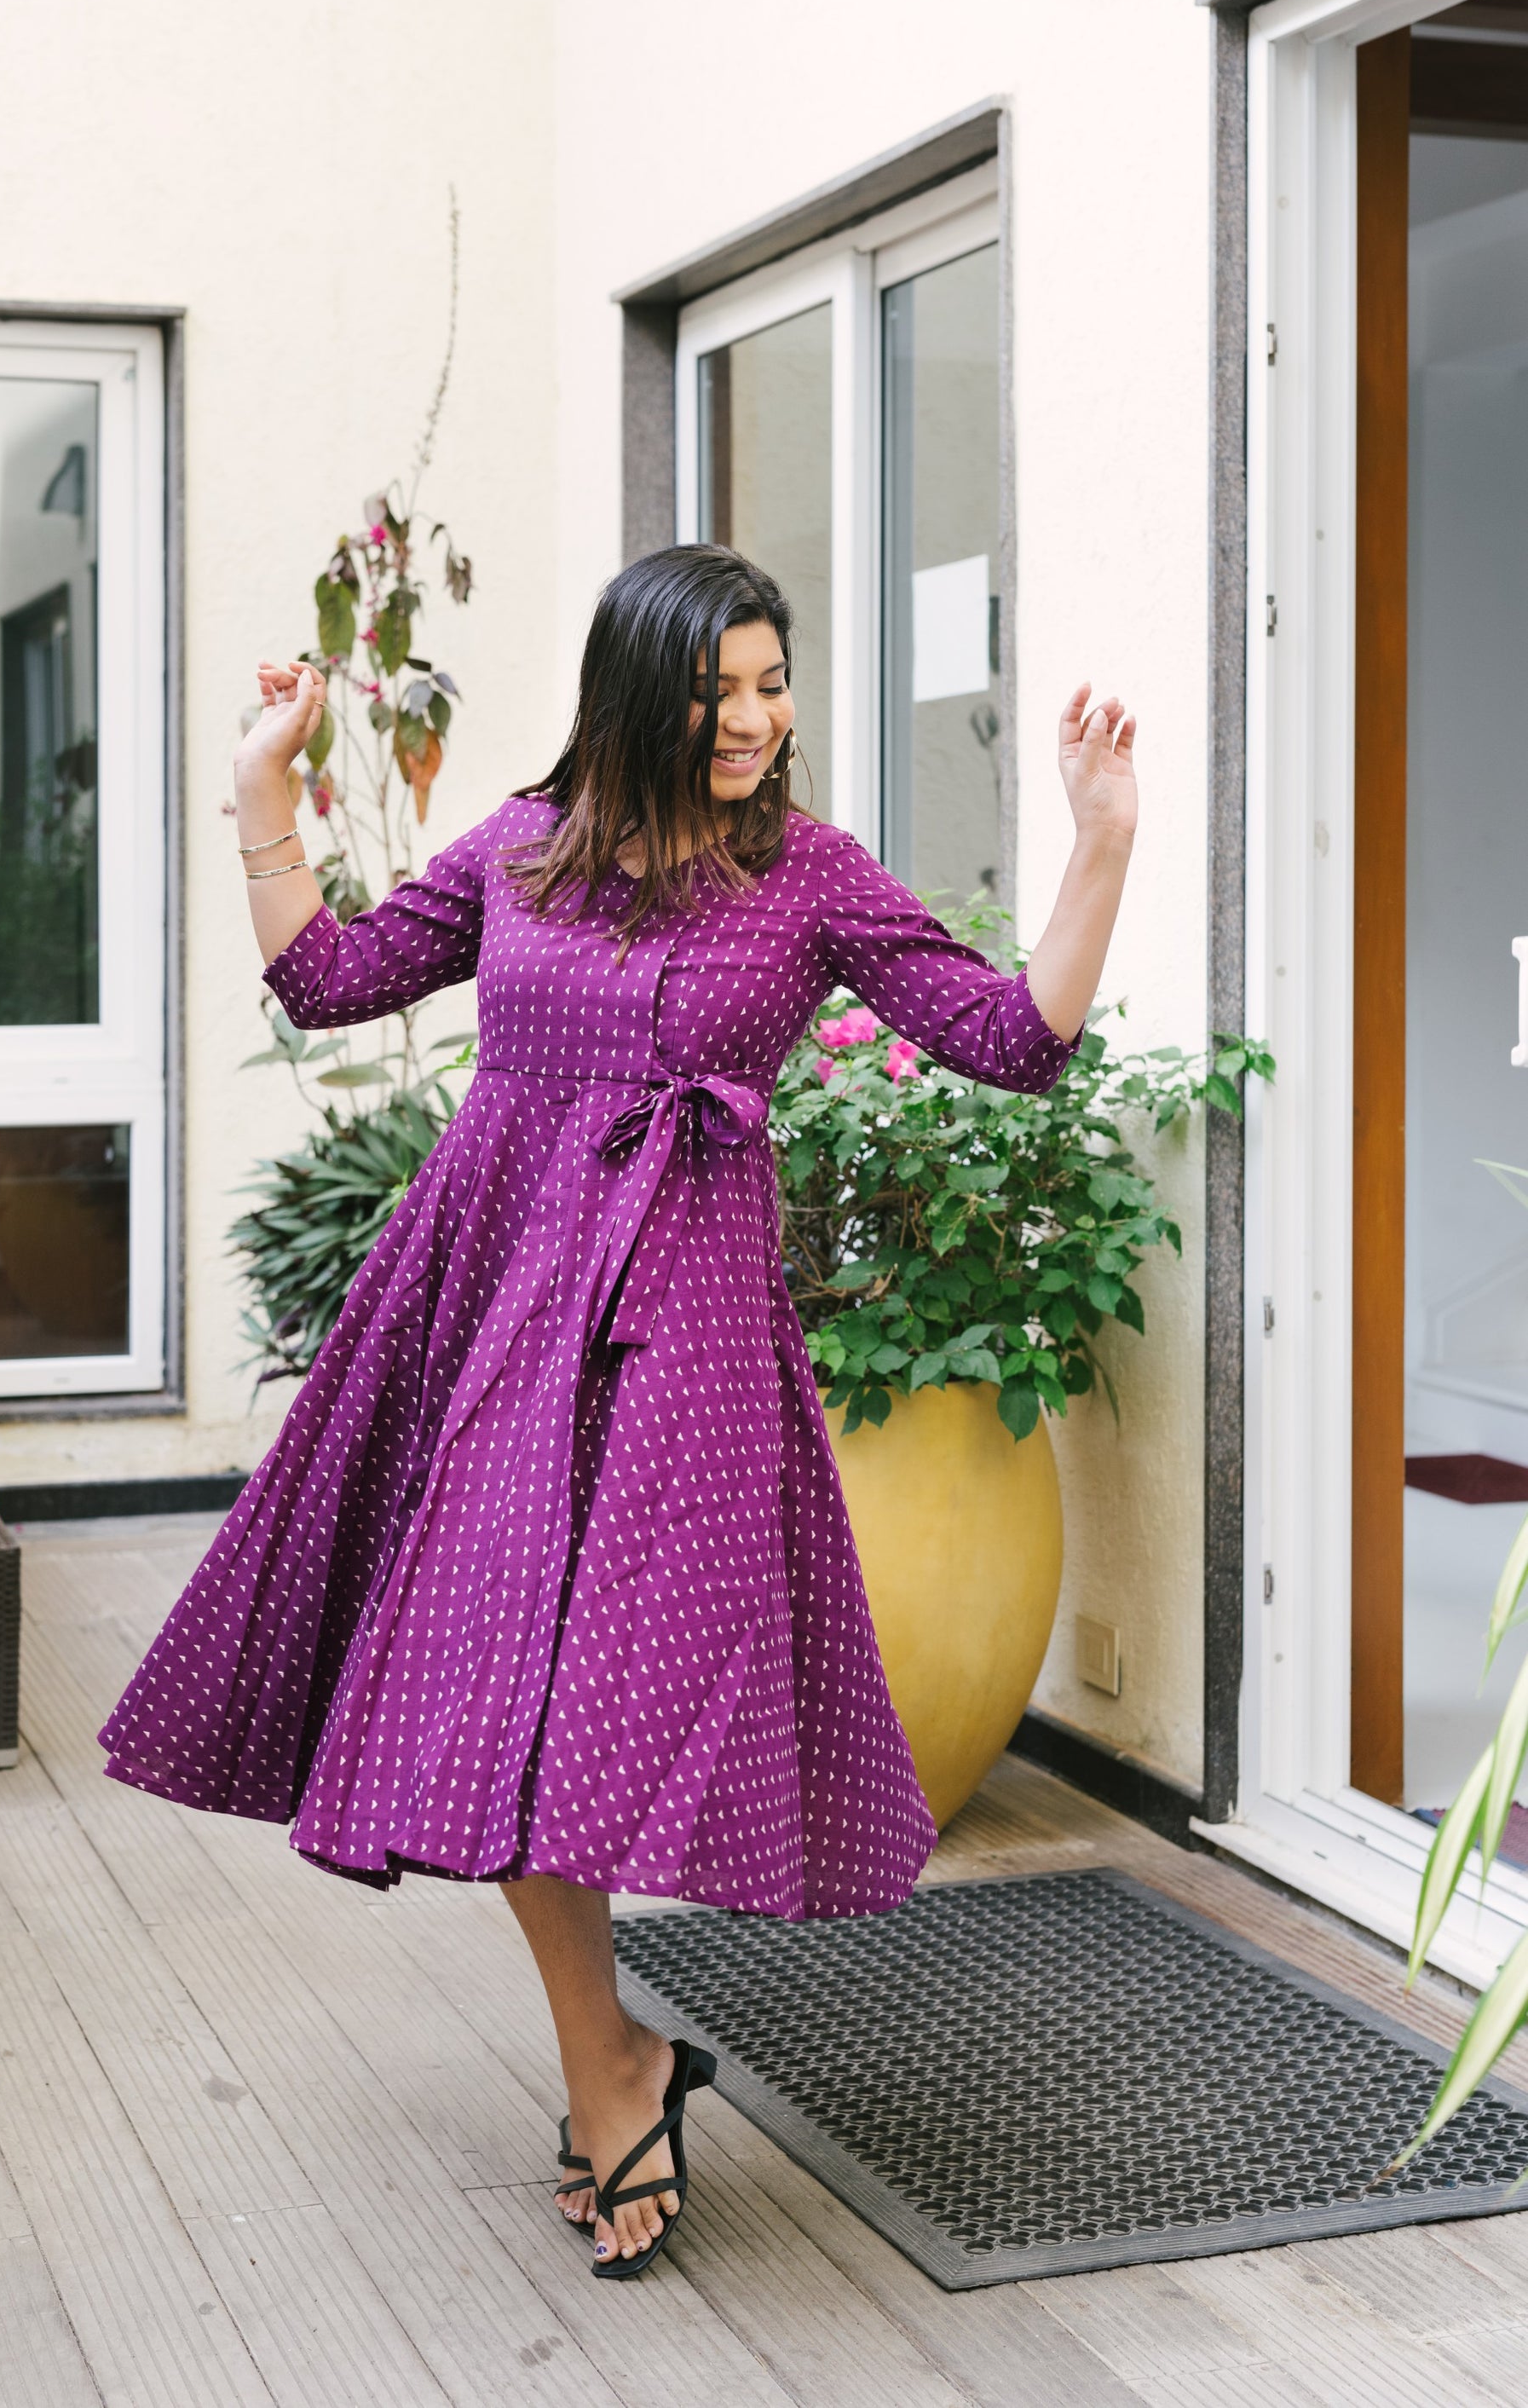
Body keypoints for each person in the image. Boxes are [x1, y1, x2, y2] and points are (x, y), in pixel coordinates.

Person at [98, 544, 1136, 2281]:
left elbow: (1007, 1040)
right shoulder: (521, 847)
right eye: (717, 689)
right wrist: (263, 785)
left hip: (685, 1334)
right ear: (634, 692)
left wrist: (1098, 841)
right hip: (498, 1301)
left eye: (771, 685)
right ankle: (614, 2060)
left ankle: (618, 2064)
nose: (752, 719)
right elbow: (331, 979)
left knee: (590, 1698)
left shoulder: (807, 874)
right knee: (500, 1691)